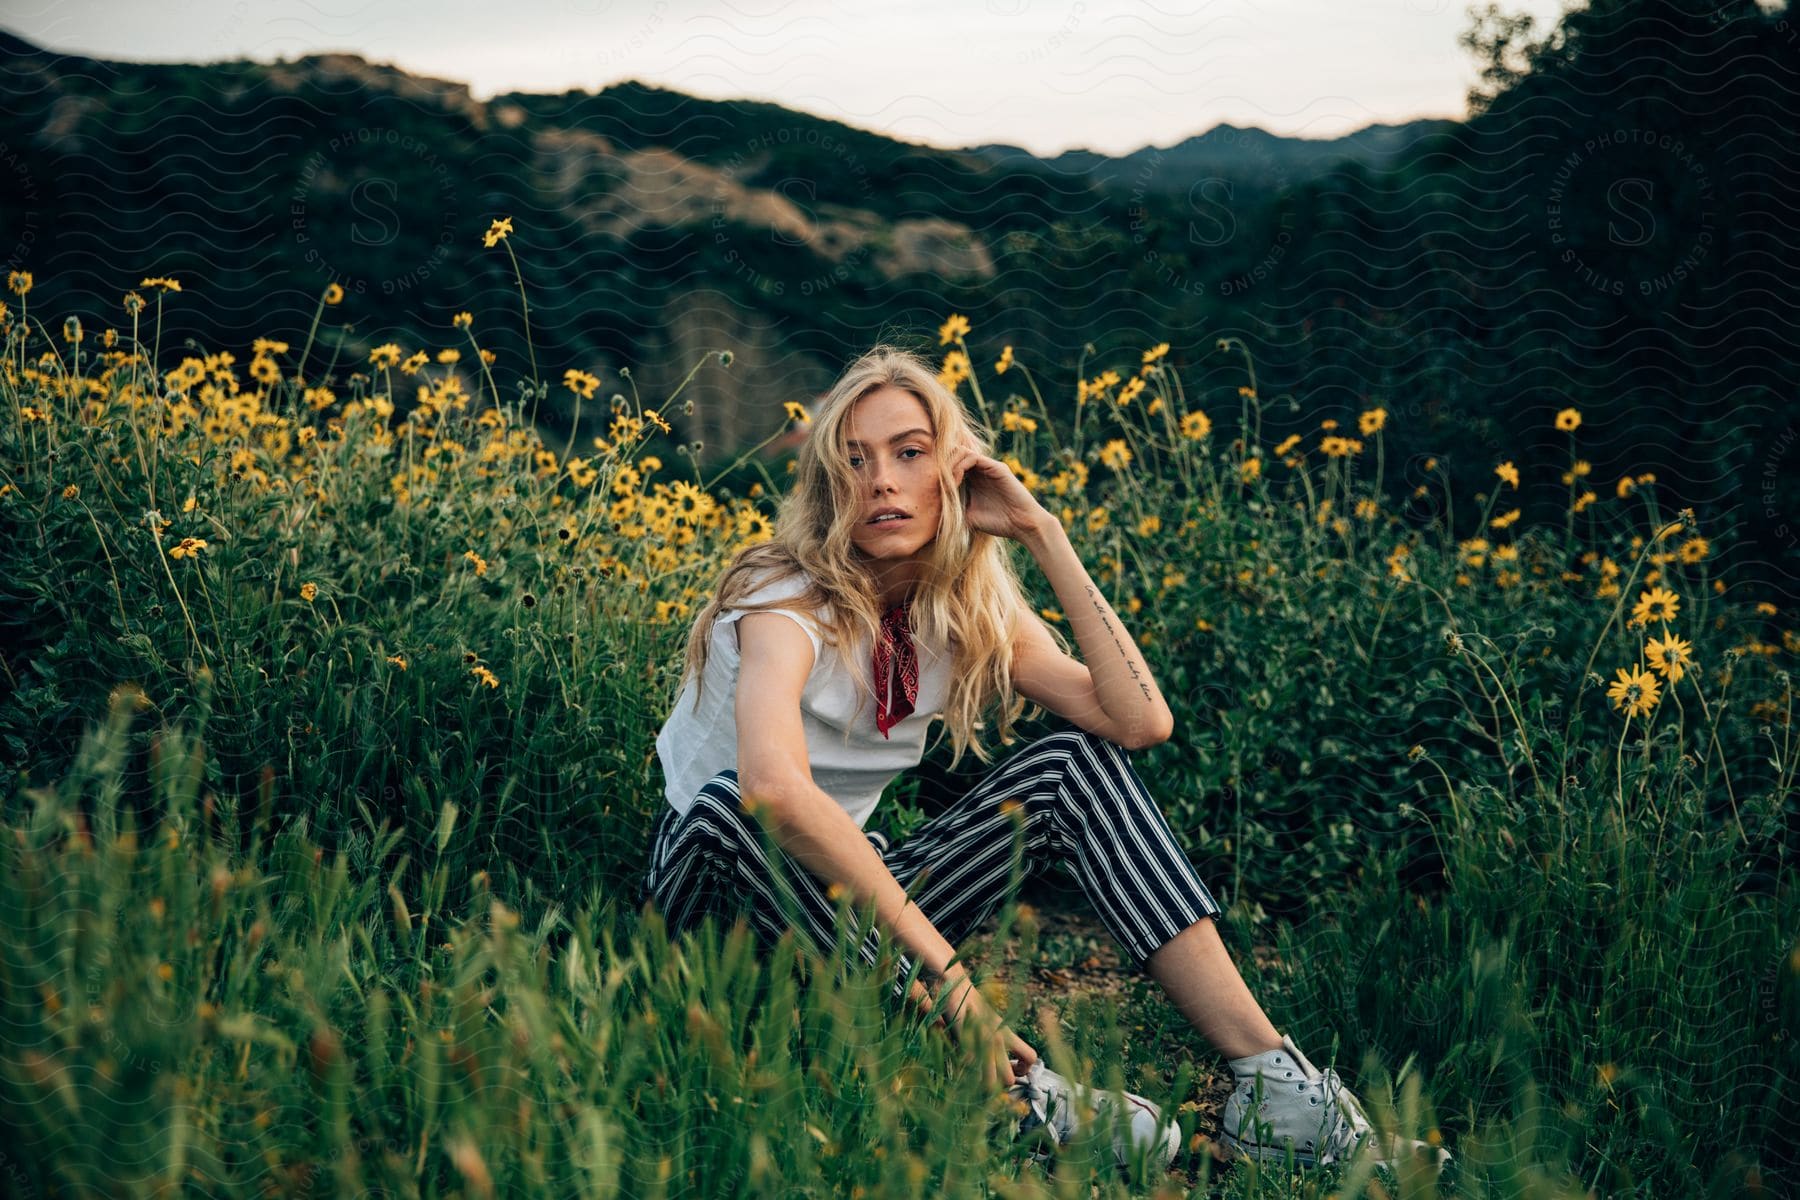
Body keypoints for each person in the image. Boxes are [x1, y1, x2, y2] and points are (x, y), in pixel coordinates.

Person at [642, 345, 1448, 1172]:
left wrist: (1041, 530)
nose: (881, 479)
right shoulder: (780, 596)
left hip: (854, 924)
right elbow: (775, 789)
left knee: (1072, 763)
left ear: (955, 471)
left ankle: (1270, 1080)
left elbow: (1137, 721)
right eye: (854, 461)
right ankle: (1005, 1091)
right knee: (732, 802)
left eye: (909, 452)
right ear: (828, 488)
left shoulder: (961, 606)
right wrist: (957, 987)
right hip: (720, 911)